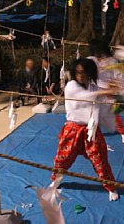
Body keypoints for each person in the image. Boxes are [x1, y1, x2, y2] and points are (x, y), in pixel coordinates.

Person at [50, 58, 119, 201]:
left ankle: (110, 187)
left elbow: (102, 101)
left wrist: (112, 94)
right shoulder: (71, 86)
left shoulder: (93, 87)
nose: (81, 75)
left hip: (91, 129)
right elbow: (85, 97)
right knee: (62, 159)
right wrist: (106, 91)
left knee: (100, 159)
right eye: (78, 72)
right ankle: (56, 179)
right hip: (73, 129)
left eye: (84, 72)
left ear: (90, 73)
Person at [88, 39, 124, 143]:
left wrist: (116, 89)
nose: (97, 54)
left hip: (110, 91)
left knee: (114, 114)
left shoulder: (112, 61)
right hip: (97, 90)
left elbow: (119, 77)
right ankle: (92, 132)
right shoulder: (92, 60)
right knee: (94, 113)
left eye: (99, 51)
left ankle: (123, 133)